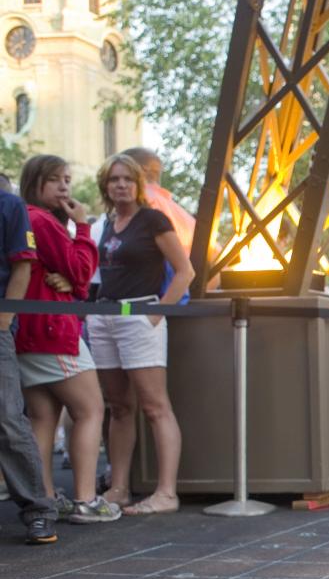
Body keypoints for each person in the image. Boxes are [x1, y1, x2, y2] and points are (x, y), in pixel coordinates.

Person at [15, 156, 118, 523]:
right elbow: (79, 274)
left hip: (26, 330)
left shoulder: (24, 217)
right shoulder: (42, 220)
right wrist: (84, 228)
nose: (64, 187)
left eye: (67, 180)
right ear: (35, 183)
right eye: (54, 179)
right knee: (90, 409)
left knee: (42, 417)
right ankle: (85, 500)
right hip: (53, 330)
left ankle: (43, 499)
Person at [89, 153, 193, 516]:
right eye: (114, 179)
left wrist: (157, 311)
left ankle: (166, 492)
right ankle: (119, 487)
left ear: (137, 184)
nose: (120, 185)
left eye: (126, 179)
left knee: (155, 405)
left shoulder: (153, 219)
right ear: (105, 185)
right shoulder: (104, 223)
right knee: (118, 406)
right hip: (104, 316)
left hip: (139, 313)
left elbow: (185, 272)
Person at [0, 182, 58, 543]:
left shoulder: (9, 205)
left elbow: (23, 265)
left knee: (7, 418)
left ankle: (38, 510)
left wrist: (4, 319)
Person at [120, 146, 194, 256]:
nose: (119, 183)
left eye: (121, 169)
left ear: (140, 170)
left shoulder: (141, 202)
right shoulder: (182, 215)